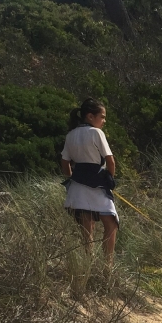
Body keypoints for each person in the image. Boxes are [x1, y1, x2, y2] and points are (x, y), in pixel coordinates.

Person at [60, 98, 119, 263]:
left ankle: (89, 263)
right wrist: (109, 179)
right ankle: (107, 266)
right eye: (102, 116)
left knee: (87, 227)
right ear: (90, 116)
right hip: (96, 181)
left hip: (77, 184)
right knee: (111, 223)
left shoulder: (71, 134)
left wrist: (71, 178)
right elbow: (110, 160)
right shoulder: (96, 132)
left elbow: (65, 161)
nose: (104, 121)